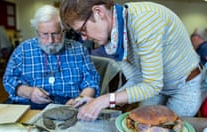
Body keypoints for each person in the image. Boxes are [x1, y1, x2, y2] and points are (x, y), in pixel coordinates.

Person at [59, 0, 205, 120]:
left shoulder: (145, 20)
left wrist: (104, 101)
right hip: (158, 85)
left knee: (167, 131)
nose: (83, 38)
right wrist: (99, 101)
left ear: (99, 12)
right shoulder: (114, 39)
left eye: (83, 30)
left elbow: (151, 85)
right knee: (142, 125)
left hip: (185, 85)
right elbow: (136, 79)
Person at [3, 5, 100, 109]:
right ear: (37, 32)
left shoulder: (79, 50)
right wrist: (29, 92)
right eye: (45, 34)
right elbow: (8, 80)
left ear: (63, 31)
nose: (50, 40)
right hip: (30, 106)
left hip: (70, 106)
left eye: (55, 34)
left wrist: (80, 99)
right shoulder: (22, 50)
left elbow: (91, 81)